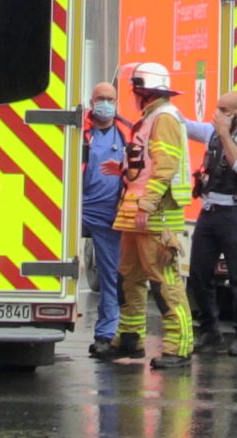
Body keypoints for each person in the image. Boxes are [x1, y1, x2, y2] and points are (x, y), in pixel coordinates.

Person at [94, 63, 194, 369]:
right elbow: (147, 164)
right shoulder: (151, 118)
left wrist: (148, 204)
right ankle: (129, 339)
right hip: (134, 211)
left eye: (135, 91)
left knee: (164, 281)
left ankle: (179, 347)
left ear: (143, 91)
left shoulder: (163, 118)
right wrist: (123, 170)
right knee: (129, 279)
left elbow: (165, 165)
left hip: (155, 215)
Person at [186, 91, 237, 357]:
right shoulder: (212, 133)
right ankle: (210, 330)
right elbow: (184, 125)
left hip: (235, 215)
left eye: (224, 110)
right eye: (217, 108)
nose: (217, 114)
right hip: (209, 213)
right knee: (199, 274)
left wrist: (223, 133)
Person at [82, 82, 130, 355]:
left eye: (110, 99)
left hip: (108, 211)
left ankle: (106, 334)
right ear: (91, 101)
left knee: (110, 274)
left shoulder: (125, 133)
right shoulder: (80, 131)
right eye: (100, 98)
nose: (105, 103)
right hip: (74, 208)